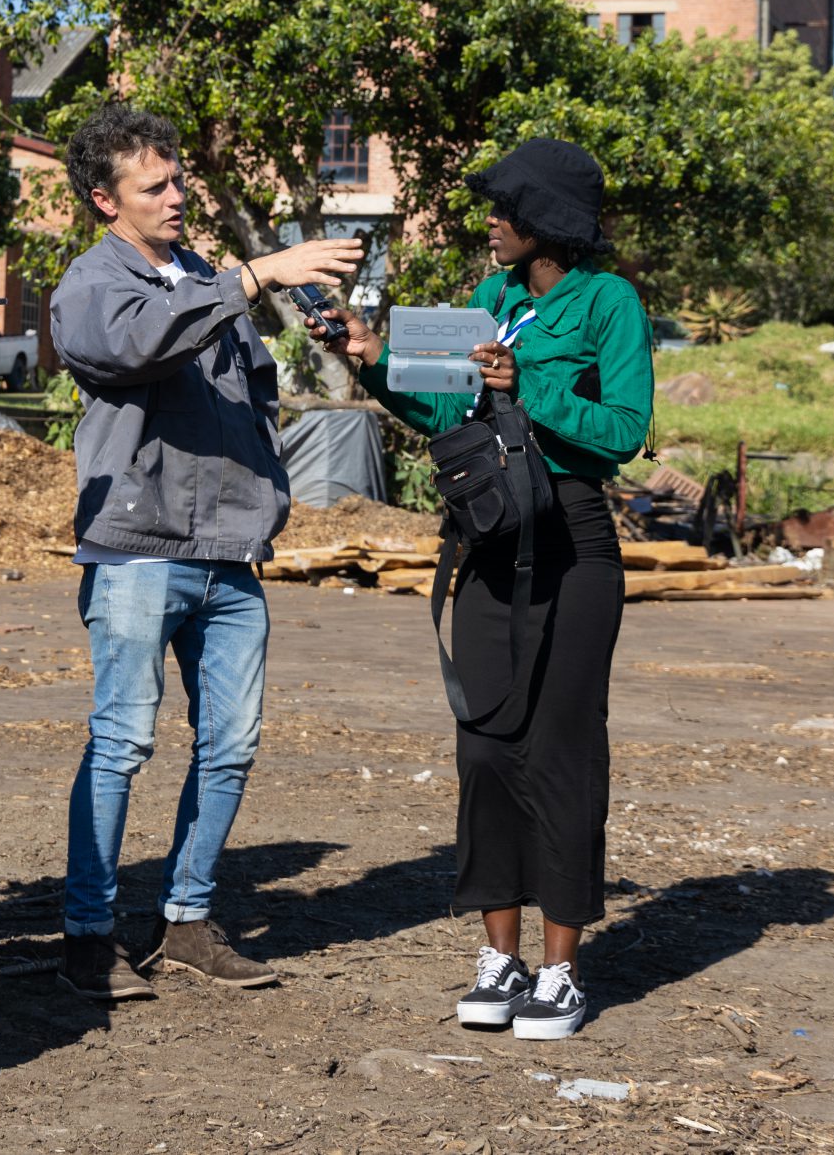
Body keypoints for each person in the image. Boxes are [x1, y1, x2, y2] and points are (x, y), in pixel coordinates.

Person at [45, 104, 363, 1001]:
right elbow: (139, 342)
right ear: (106, 200)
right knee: (123, 741)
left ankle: (185, 919)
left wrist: (271, 499)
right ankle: (88, 932)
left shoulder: (202, 277)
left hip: (230, 555)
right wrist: (255, 274)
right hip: (139, 551)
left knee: (229, 743)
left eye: (179, 177)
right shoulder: (92, 286)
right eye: (156, 185)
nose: (178, 194)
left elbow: (247, 402)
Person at [338, 138, 652, 1042]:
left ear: (543, 217)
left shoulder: (608, 303)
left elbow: (626, 430)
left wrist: (531, 395)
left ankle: (561, 971)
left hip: (572, 548)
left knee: (558, 751)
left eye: (501, 207)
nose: (488, 221)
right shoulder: (490, 299)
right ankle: (499, 957)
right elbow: (442, 408)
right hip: (488, 542)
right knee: (484, 750)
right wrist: (369, 359)